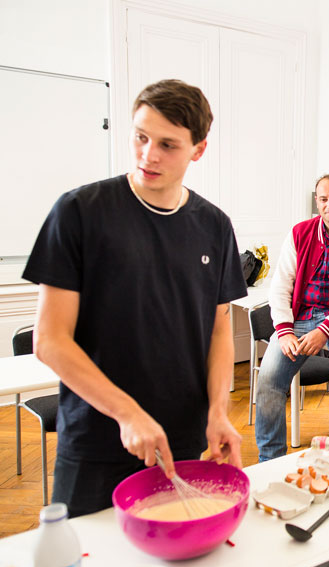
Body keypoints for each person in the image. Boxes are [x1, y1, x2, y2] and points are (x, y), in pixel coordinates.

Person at [23, 79, 247, 517]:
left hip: (182, 440)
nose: (149, 154)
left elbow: (220, 329)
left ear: (198, 150)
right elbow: (49, 340)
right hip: (96, 438)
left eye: (168, 144)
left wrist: (218, 412)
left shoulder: (214, 226)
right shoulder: (78, 212)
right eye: (141, 137)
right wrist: (126, 412)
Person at [254, 173, 329, 460]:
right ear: (317, 202)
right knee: (269, 378)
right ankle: (269, 459)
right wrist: (284, 331)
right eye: (323, 199)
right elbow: (280, 285)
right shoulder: (299, 233)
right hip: (299, 318)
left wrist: (324, 330)